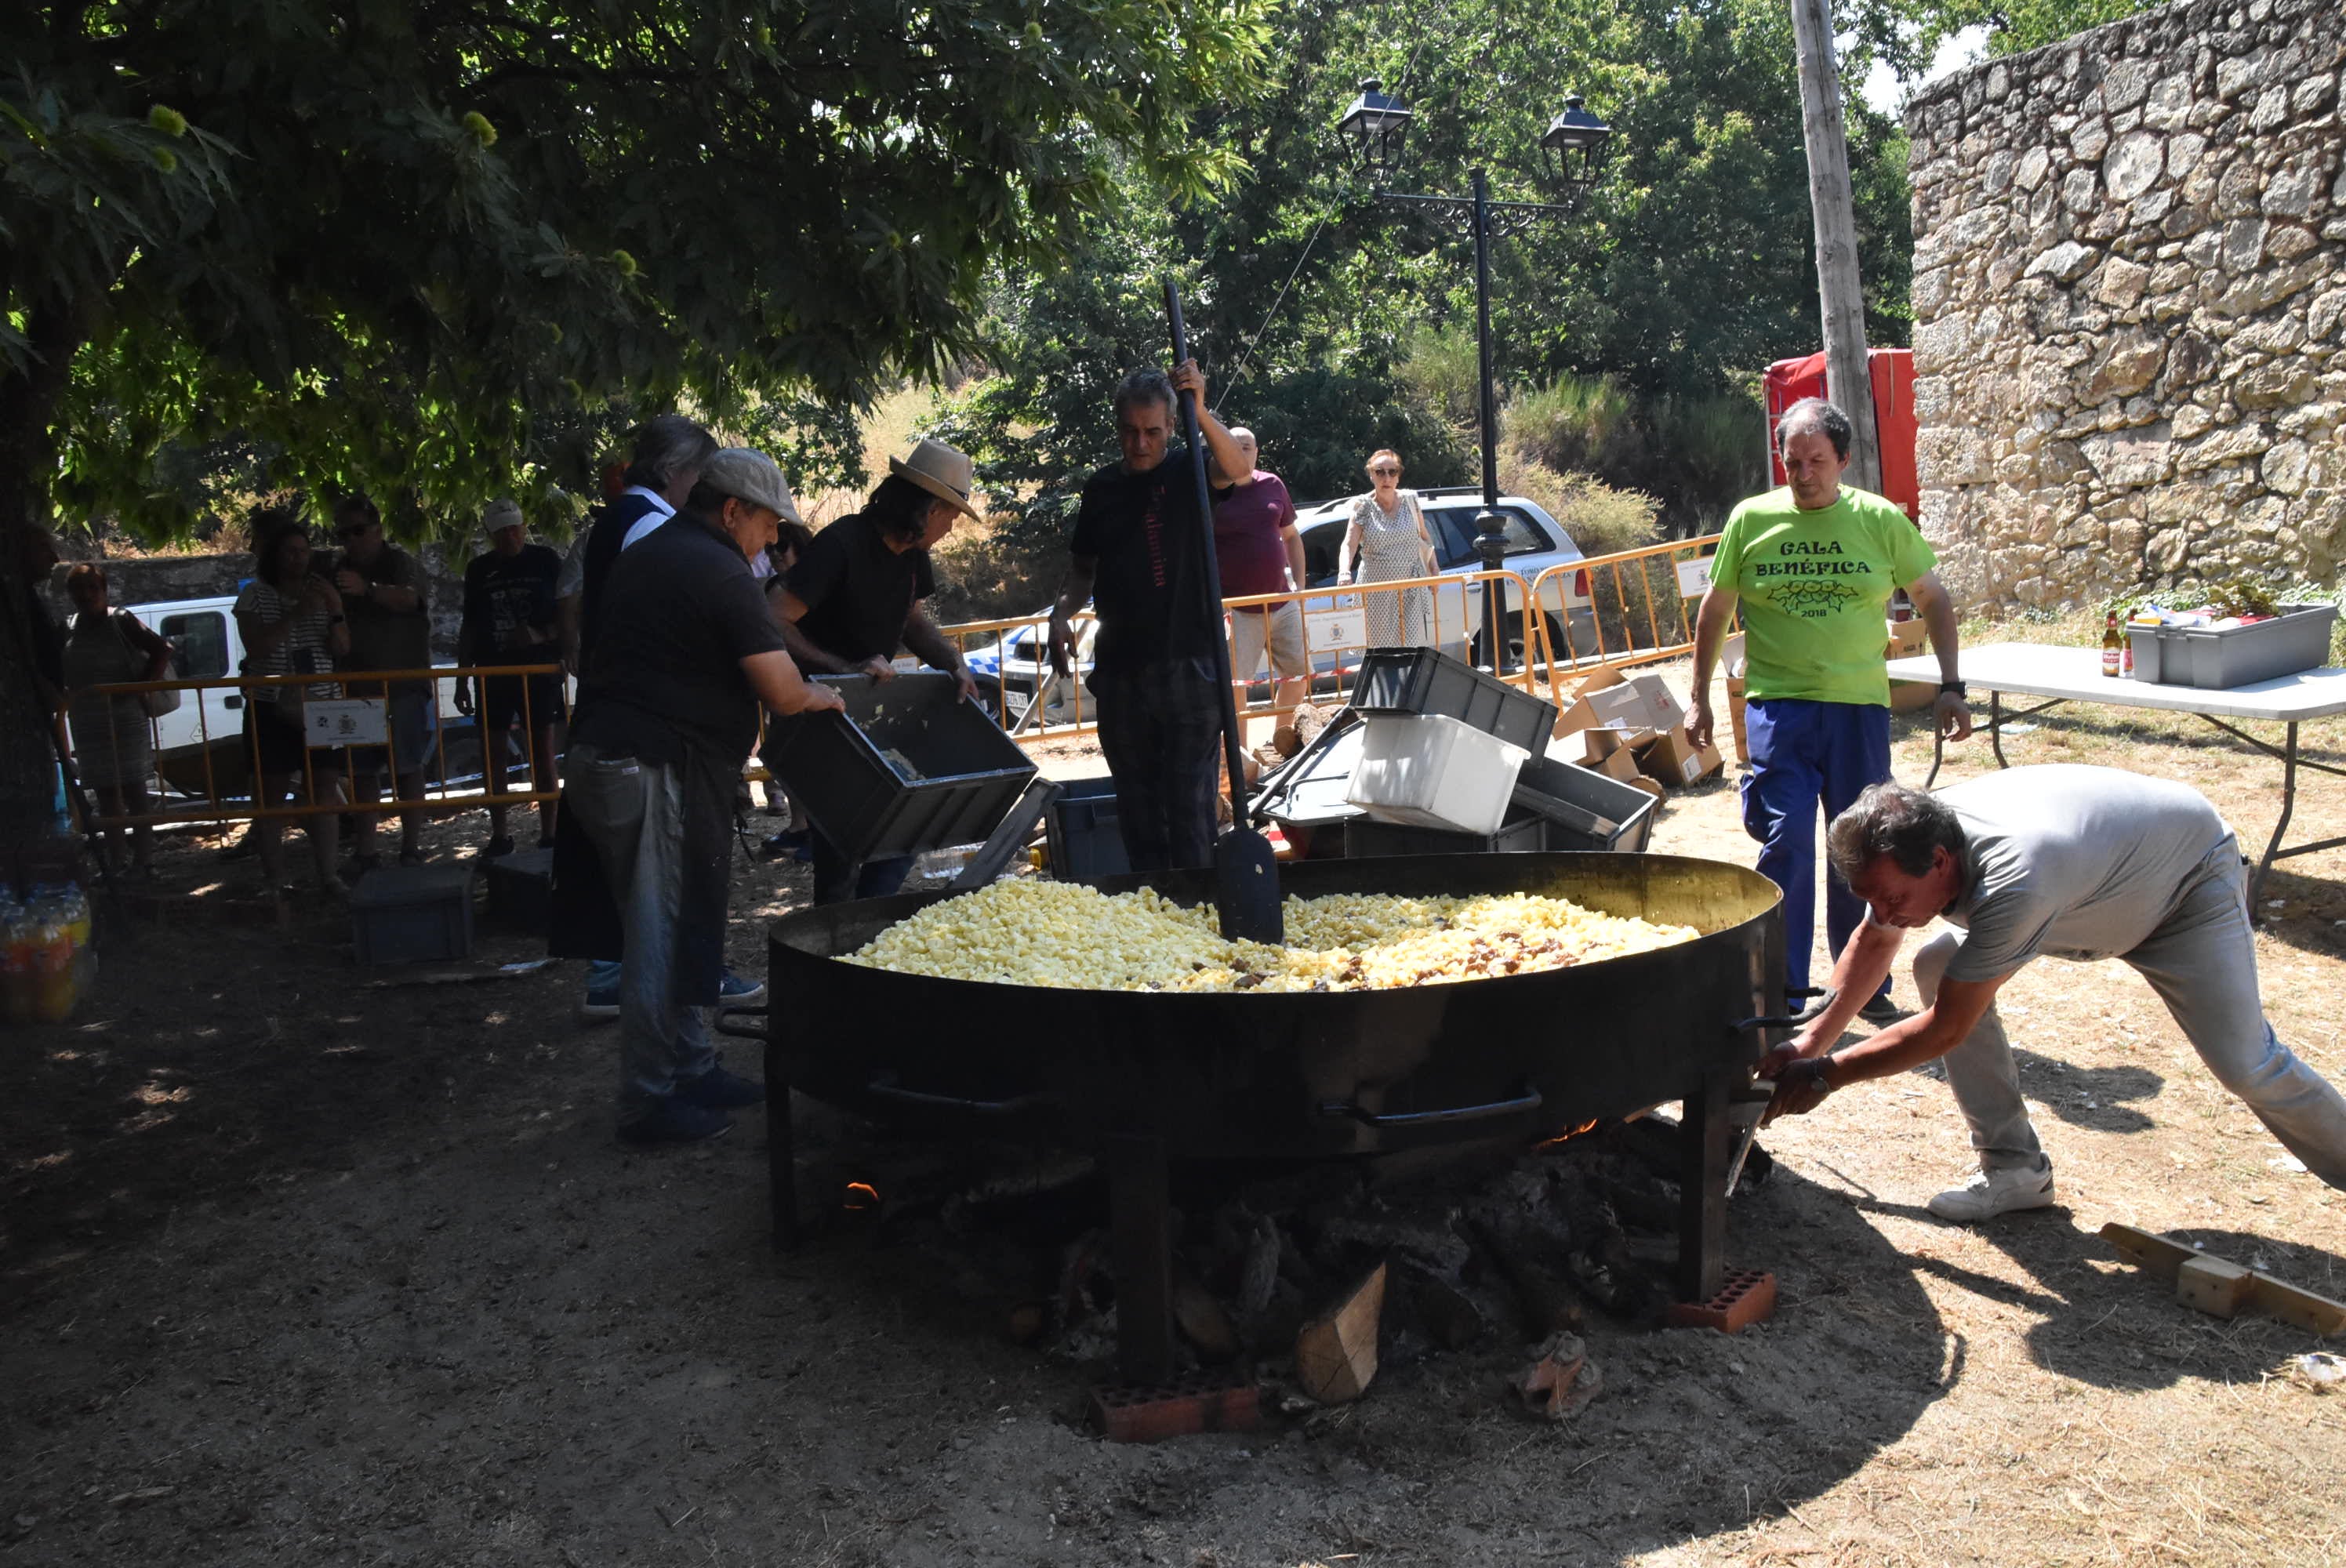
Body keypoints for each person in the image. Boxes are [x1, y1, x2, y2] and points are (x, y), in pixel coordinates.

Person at [1762, 771, 2346, 1220]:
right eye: (1874, 896)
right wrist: (1808, 1042)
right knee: (1939, 962)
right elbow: (1875, 937)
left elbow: (1946, 1029)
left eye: (1891, 897)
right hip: (2092, 888)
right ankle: (2015, 1172)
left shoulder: (2018, 873)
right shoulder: (1910, 842)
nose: (1884, 910)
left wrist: (1826, 1075)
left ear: (1940, 862)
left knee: (2248, 1065)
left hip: (2182, 886)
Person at [550, 448, 844, 1145]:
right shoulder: (716, 567)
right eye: (768, 525)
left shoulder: (656, 551)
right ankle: (648, 1100)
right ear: (733, 510)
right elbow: (779, 686)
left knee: (668, 923)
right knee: (658, 930)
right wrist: (820, 695)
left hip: (615, 755)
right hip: (649, 764)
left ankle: (692, 1064)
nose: (772, 540)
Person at [1684, 397, 1972, 1022]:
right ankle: (1782, 991)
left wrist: (1953, 683)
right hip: (1778, 710)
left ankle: (1856, 983)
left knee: (1866, 849)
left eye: (1817, 460)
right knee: (1785, 842)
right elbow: (1715, 609)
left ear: (1843, 459)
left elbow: (1934, 598)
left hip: (1857, 709)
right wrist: (1699, 695)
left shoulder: (1878, 520)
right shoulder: (1750, 519)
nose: (1804, 473)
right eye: (1793, 462)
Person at [1047, 361, 1250, 874]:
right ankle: (1154, 921)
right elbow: (1080, 571)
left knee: (1189, 808)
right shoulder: (1101, 489)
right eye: (1131, 432)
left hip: (1191, 666)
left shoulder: (1190, 470)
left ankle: (1201, 915)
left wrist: (1199, 408)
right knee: (1138, 812)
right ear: (1118, 428)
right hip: (1121, 674)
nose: (1141, 444)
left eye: (1153, 432)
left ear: (1170, 429)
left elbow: (1238, 468)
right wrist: (1060, 615)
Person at [778, 437, 983, 902]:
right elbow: (774, 618)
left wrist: (953, 663)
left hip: (871, 709)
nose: (951, 527)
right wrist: (844, 668)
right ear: (926, 509)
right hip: (819, 713)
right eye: (950, 515)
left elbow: (911, 619)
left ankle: (871, 927)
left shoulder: (914, 556)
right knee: (841, 853)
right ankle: (833, 946)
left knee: (903, 832)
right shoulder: (842, 543)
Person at [234, 511, 351, 894]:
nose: (297, 559)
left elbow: (342, 649)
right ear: (274, 555)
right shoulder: (255, 594)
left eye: (303, 551)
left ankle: (329, 875)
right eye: (289, 552)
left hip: (321, 704)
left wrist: (334, 610)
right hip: (271, 704)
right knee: (270, 797)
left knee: (324, 791)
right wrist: (296, 614)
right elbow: (258, 646)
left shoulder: (321, 593)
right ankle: (275, 880)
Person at [329, 495, 435, 870]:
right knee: (361, 774)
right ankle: (367, 851)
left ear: (377, 529)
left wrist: (368, 589)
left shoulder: (401, 563)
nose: (351, 540)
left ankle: (411, 847)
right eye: (342, 533)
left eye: (358, 530)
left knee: (407, 768)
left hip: (402, 684)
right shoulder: (336, 569)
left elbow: (411, 600)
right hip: (356, 688)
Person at [457, 500, 562, 857]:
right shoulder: (479, 570)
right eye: (502, 531)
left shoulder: (546, 560)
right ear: (490, 534)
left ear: (524, 525)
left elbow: (568, 613)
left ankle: (550, 832)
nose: (510, 536)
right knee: (494, 756)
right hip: (493, 672)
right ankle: (500, 833)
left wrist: (543, 636)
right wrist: (461, 677)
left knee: (543, 754)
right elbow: (469, 625)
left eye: (515, 527)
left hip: (539, 670)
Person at [60, 563, 173, 877]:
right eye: (79, 589)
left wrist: (142, 690)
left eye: (93, 587)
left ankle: (145, 862)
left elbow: (162, 649)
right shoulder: (68, 627)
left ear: (104, 589)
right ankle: (115, 863)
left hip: (126, 717)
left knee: (136, 790)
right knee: (107, 794)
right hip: (88, 719)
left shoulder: (121, 619)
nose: (86, 595)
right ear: (69, 594)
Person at [1211, 426, 1309, 717]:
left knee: (1300, 675)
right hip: (1236, 610)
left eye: (1247, 447)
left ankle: (1283, 744)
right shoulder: (1211, 493)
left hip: (1282, 602)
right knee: (1235, 689)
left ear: (1257, 453)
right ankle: (1239, 759)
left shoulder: (1272, 484)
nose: (1241, 453)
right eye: (1235, 446)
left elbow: (1291, 536)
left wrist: (1300, 589)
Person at [1336, 449, 1436, 648]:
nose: (1386, 477)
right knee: (1379, 650)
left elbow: (1424, 536)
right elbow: (1349, 544)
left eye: (1392, 472)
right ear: (1371, 474)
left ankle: (1407, 680)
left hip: (1410, 586)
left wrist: (1434, 569)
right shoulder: (1363, 506)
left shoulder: (1411, 501)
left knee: (1409, 648)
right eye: (1380, 471)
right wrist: (1344, 572)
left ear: (1398, 476)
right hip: (1376, 590)